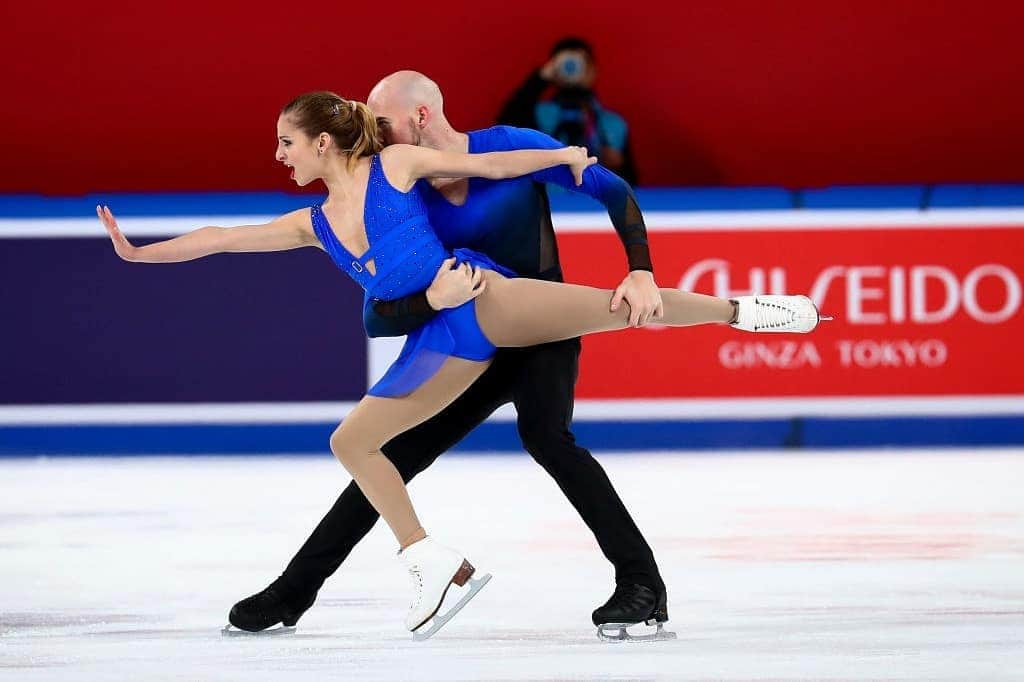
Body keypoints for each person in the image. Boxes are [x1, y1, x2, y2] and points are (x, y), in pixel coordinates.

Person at [97, 90, 825, 640]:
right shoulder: (324, 216)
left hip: (513, 321)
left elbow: (513, 167)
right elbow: (250, 248)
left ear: (412, 117)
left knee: (568, 404)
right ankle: (317, 587)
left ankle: (748, 318)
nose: (282, 154)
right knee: (370, 449)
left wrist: (570, 170)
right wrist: (136, 251)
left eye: (288, 142)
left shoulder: (412, 162)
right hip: (451, 336)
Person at [230, 70, 673, 644]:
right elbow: (377, 312)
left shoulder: (508, 146)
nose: (370, 133)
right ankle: (294, 591)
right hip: (466, 346)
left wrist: (639, 268)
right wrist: (430, 299)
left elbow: (611, 188)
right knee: (391, 454)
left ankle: (643, 585)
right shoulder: (397, 189)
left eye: (381, 122)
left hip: (536, 326)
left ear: (419, 117)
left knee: (548, 438)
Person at [498, 37, 638, 185]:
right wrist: (540, 77)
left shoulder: (613, 124)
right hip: (551, 202)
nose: (574, 67)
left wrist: (617, 167)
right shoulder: (539, 115)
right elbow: (505, 129)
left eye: (582, 62)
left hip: (596, 204)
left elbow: (633, 183)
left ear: (593, 69)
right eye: (566, 62)